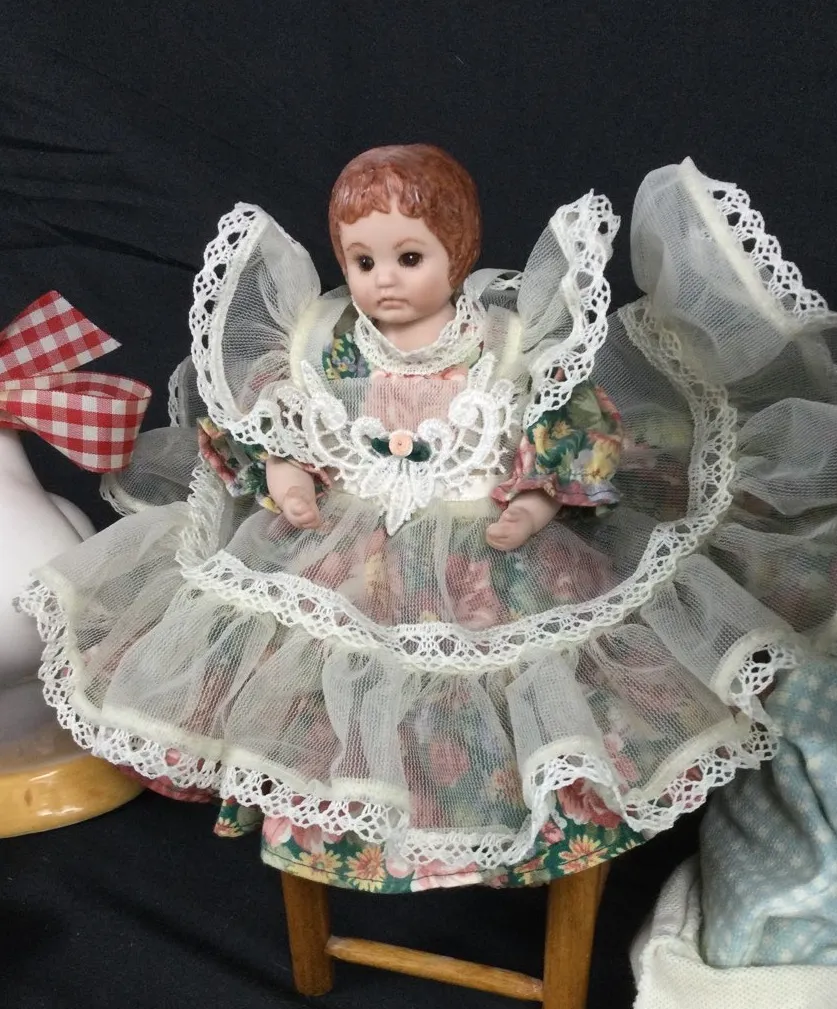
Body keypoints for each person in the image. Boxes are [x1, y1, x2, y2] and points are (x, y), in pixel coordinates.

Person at [21, 148, 833, 892]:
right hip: (342, 550)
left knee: (514, 679)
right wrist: (287, 476)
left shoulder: (505, 343)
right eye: (362, 261)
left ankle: (486, 822)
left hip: (482, 552)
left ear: (457, 253)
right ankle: (347, 820)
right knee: (318, 685)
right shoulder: (324, 344)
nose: (383, 281)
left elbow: (560, 432)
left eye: (408, 258)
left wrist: (536, 501)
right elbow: (277, 426)